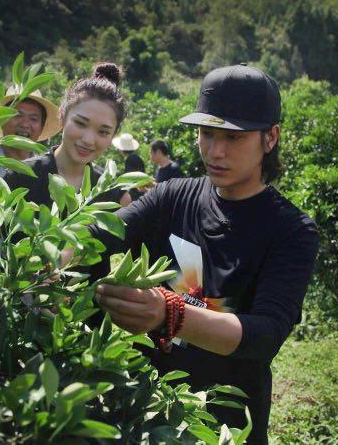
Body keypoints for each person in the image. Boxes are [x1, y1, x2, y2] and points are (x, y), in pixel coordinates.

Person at [81, 64, 318, 443]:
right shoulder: (172, 197)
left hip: (225, 423)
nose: (215, 151)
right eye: (207, 134)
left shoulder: (291, 230)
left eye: (233, 137)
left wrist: (170, 313)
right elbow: (99, 235)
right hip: (151, 407)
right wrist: (49, 253)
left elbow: (265, 334)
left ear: (270, 137)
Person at [5, 62, 131, 216]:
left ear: (113, 135)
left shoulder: (113, 195)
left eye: (103, 132)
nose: (88, 140)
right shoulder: (19, 178)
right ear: (62, 117)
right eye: (80, 123)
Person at [113, 132, 146, 202]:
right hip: (141, 192)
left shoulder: (130, 159)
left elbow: (130, 179)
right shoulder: (136, 157)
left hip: (135, 195)